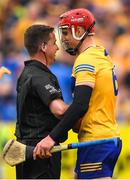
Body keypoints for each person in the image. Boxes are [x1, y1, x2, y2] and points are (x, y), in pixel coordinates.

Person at [33, 8, 122, 179]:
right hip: (105, 138)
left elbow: (80, 105)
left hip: (96, 139)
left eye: (66, 33)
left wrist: (51, 138)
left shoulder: (85, 59)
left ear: (79, 31)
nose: (63, 39)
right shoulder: (99, 54)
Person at [15, 24, 69, 179]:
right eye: (54, 43)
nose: (58, 48)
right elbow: (59, 110)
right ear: (43, 46)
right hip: (42, 152)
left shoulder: (25, 73)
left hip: (26, 151)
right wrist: (82, 107)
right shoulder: (40, 76)